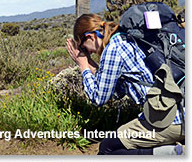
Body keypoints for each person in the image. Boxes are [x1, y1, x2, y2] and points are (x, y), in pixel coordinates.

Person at [66, 14, 184, 155]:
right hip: (181, 111)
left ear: (90, 37)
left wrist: (83, 66)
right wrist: (90, 65)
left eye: (84, 48)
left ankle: (174, 154)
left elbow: (98, 98)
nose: (88, 52)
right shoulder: (126, 38)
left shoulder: (113, 49)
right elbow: (116, 92)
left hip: (169, 120)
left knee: (107, 148)